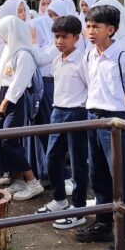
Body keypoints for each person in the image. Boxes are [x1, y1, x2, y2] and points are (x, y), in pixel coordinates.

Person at [75, 4, 125, 250]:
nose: (91, 31)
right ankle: (104, 222)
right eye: (89, 26)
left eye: (96, 27)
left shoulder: (121, 57)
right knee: (99, 175)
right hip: (93, 117)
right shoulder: (89, 55)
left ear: (111, 29)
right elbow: (88, 82)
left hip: (114, 123)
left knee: (120, 177)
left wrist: (122, 97)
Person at [35, 14, 89, 228]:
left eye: (64, 37)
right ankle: (59, 199)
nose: (59, 41)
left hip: (78, 113)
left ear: (76, 37)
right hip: (58, 112)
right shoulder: (57, 60)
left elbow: (91, 87)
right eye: (56, 37)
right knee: (52, 159)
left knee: (77, 163)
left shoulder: (83, 60)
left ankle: (79, 208)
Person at [0, 13, 44, 201]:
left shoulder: (23, 54)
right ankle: (19, 179)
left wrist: (5, 102)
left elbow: (19, 83)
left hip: (16, 102)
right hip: (7, 100)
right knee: (7, 141)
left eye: (3, 32)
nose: (1, 36)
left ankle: (32, 182)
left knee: (9, 141)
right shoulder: (11, 51)